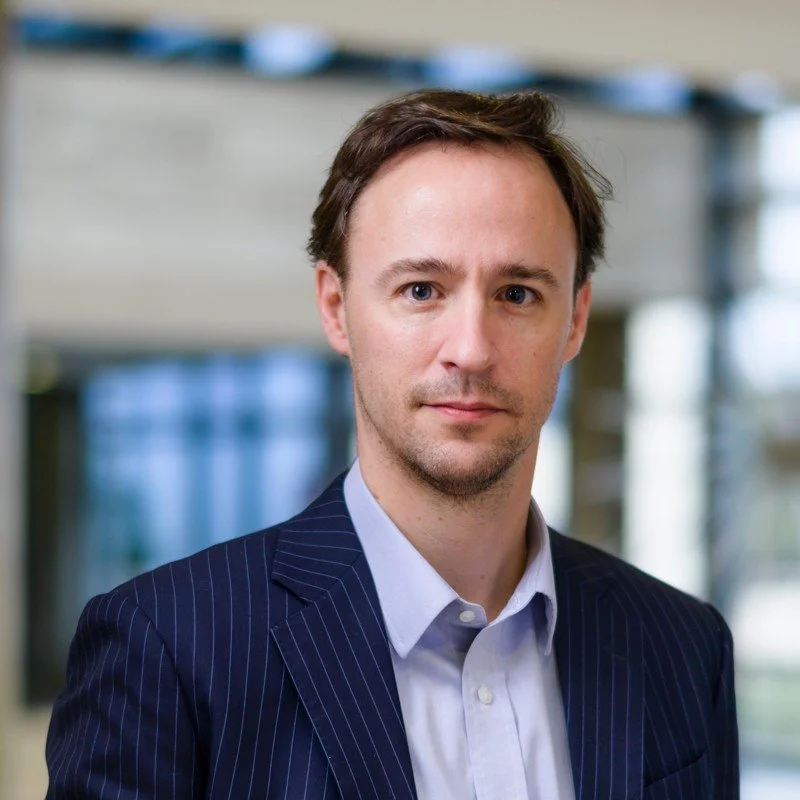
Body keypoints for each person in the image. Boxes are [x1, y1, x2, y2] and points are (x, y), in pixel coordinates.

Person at [45, 90, 738, 800]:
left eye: (519, 294)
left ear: (576, 320)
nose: (469, 349)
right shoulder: (168, 648)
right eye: (420, 289)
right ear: (336, 308)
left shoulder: (683, 647)